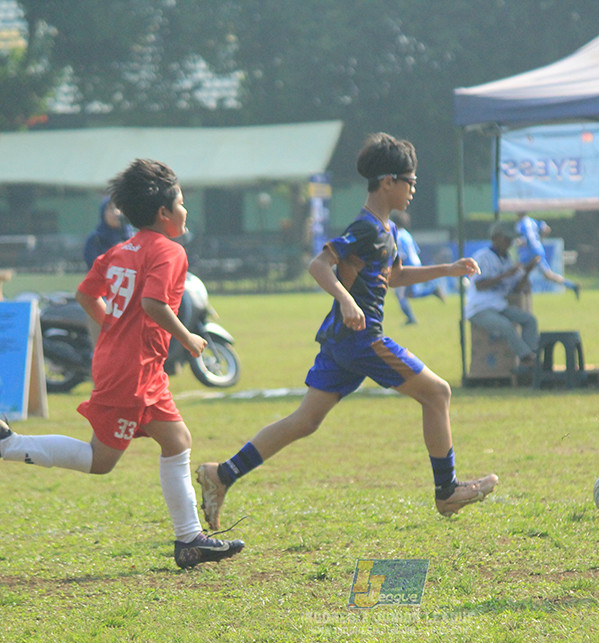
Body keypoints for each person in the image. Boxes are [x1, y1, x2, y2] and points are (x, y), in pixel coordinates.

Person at [0, 159, 244, 570]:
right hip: (132, 371)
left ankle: (189, 541)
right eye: (181, 203)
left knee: (177, 440)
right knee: (100, 460)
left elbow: (87, 295)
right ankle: (3, 443)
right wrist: (188, 337)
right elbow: (153, 304)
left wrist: (113, 325)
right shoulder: (169, 251)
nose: (185, 210)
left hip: (135, 367)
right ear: (164, 213)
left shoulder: (120, 250)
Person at [195, 132, 497, 530]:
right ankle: (447, 491)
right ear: (388, 181)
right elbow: (319, 264)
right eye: (410, 182)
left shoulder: (384, 229)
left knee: (305, 421)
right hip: (359, 338)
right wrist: (347, 299)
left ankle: (222, 474)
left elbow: (394, 275)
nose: (412, 191)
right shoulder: (366, 226)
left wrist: (448, 269)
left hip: (341, 341)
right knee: (438, 393)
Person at [465, 222, 540, 368]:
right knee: (505, 326)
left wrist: (527, 272)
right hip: (479, 307)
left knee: (529, 320)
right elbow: (479, 285)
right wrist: (505, 275)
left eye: (511, 240)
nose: (510, 243)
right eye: (507, 239)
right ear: (496, 238)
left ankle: (532, 360)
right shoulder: (483, 257)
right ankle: (527, 358)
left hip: (499, 305)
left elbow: (516, 289)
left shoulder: (507, 259)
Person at [392, 210, 446, 325]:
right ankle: (432, 291)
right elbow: (416, 250)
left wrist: (396, 270)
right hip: (416, 262)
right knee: (409, 293)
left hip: (407, 265)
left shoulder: (397, 235)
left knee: (402, 294)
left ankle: (412, 318)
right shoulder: (406, 234)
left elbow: (401, 255)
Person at [514, 211, 579, 298]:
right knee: (548, 275)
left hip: (531, 253)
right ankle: (572, 286)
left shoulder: (521, 224)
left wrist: (520, 242)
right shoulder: (532, 221)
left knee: (516, 270)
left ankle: (516, 294)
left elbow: (526, 239)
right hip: (538, 250)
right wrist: (540, 239)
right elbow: (546, 228)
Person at [83, 196, 136, 269]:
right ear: (103, 213)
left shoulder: (132, 239)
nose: (116, 212)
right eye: (110, 209)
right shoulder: (95, 239)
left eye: (119, 208)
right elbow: (94, 267)